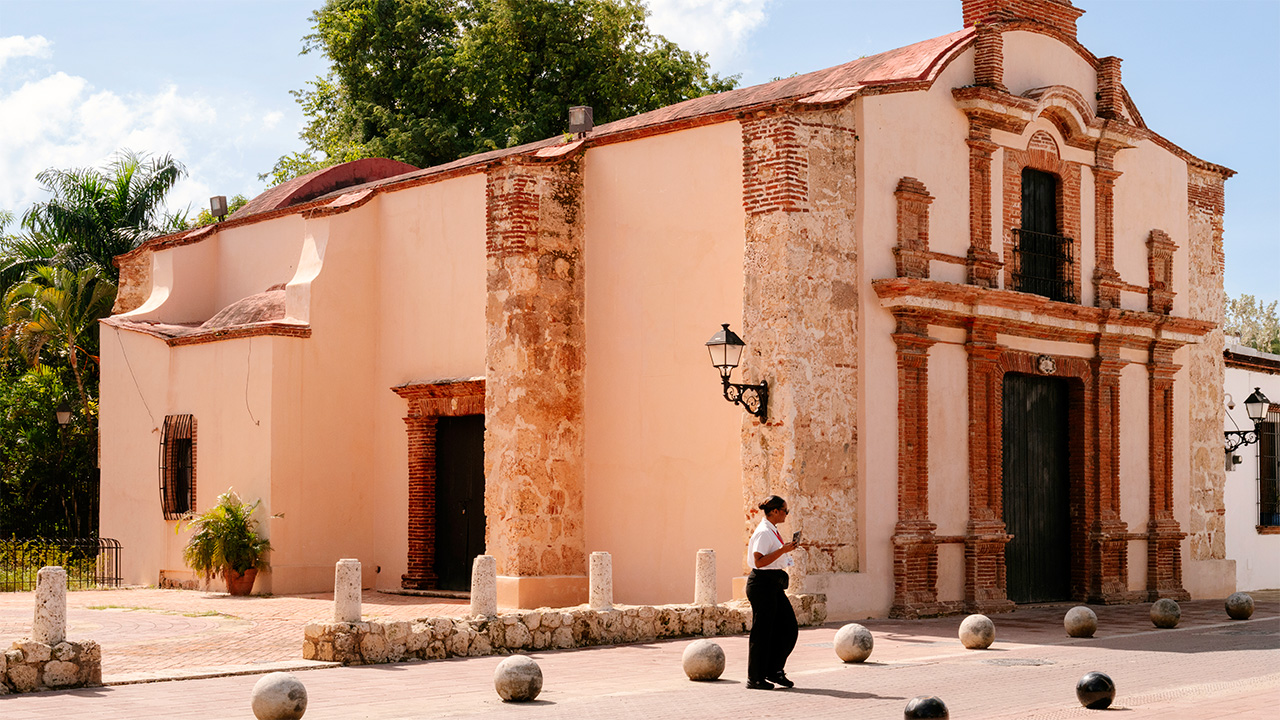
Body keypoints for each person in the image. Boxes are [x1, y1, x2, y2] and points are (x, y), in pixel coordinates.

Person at [745, 494, 799, 690]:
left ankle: (774, 670)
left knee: (788, 627)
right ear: (775, 511)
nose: (786, 514)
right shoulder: (763, 532)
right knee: (762, 632)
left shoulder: (772, 530)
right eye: (785, 510)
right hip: (761, 585)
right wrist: (783, 551)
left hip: (773, 584)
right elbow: (758, 561)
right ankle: (755, 678)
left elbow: (772, 557)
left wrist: (786, 550)